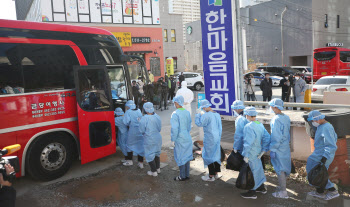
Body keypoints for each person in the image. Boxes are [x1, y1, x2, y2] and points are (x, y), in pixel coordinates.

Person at [306, 110, 339, 200]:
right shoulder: (324, 126)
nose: (313, 123)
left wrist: (325, 157)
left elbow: (331, 144)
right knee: (317, 173)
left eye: (313, 121)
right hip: (320, 153)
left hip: (322, 155)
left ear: (316, 119)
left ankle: (333, 191)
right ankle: (319, 192)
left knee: (318, 174)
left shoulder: (326, 127)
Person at [241, 107, 271, 199]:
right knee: (258, 169)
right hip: (258, 151)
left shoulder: (248, 127)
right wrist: (263, 149)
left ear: (248, 115)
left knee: (252, 171)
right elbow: (267, 137)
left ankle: (252, 192)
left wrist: (246, 155)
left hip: (251, 153)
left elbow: (248, 143)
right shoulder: (259, 124)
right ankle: (261, 187)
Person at [268, 99, 291, 199]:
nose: (271, 108)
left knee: (280, 169)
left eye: (272, 106)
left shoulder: (276, 119)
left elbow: (276, 137)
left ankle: (283, 192)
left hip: (278, 148)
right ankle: (282, 186)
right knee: (284, 167)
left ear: (276, 107)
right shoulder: (286, 117)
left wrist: (273, 149)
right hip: (285, 146)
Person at [195, 99, 222, 182]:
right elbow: (220, 127)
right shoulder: (216, 114)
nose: (203, 109)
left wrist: (198, 115)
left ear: (205, 107)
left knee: (208, 156)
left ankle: (211, 176)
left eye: (203, 108)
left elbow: (199, 123)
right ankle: (216, 173)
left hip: (210, 138)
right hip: (217, 137)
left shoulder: (206, 115)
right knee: (216, 155)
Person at [171, 96, 193, 181]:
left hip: (179, 138)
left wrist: (173, 139)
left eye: (174, 102)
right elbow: (189, 126)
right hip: (187, 136)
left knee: (180, 157)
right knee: (187, 156)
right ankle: (187, 174)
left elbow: (174, 128)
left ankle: (182, 176)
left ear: (176, 103)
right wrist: (185, 133)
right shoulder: (187, 112)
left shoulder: (175, 114)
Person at [139, 102, 162, 177]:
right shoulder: (157, 116)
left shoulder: (144, 118)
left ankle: (153, 171)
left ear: (145, 109)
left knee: (150, 154)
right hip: (157, 137)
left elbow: (141, 130)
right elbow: (159, 128)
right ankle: (158, 169)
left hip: (149, 138)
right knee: (156, 153)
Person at [123, 100, 144, 168]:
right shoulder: (138, 110)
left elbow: (126, 122)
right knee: (140, 146)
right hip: (140, 131)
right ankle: (140, 163)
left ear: (128, 106)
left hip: (132, 131)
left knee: (129, 145)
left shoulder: (128, 112)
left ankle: (129, 161)